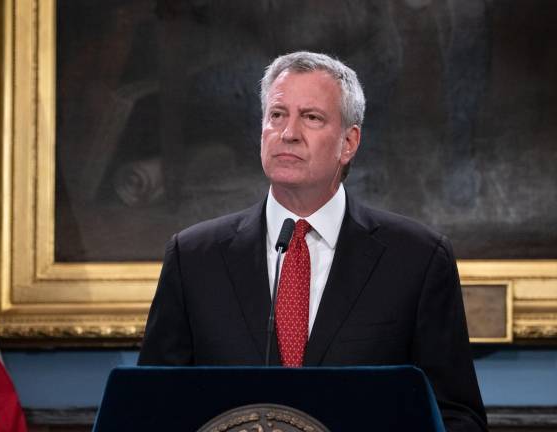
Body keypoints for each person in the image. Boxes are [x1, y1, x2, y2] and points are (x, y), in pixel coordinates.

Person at [138, 51, 487, 431]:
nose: (288, 133)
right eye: (277, 115)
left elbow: (457, 417)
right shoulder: (193, 258)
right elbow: (150, 408)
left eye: (311, 117)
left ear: (348, 142)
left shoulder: (417, 259)